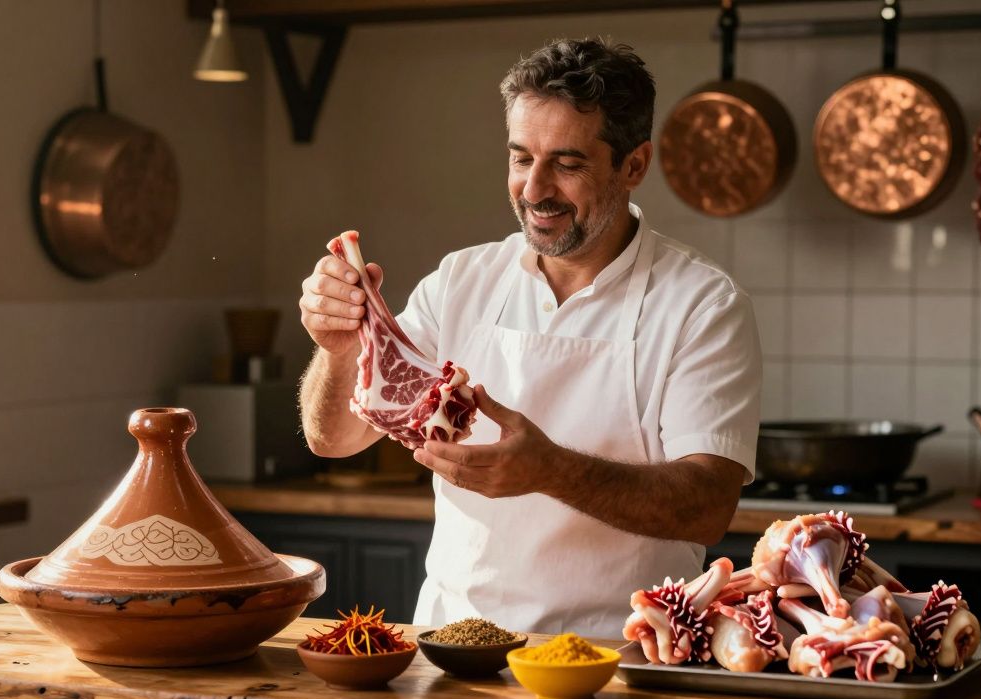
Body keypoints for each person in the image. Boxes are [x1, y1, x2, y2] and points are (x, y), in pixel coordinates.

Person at [297, 38, 761, 638]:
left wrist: (553, 471)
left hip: (620, 661)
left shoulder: (702, 305)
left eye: (567, 165)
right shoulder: (462, 280)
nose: (534, 190)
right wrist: (338, 350)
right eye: (521, 159)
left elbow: (707, 508)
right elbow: (332, 438)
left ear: (634, 165)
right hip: (454, 649)